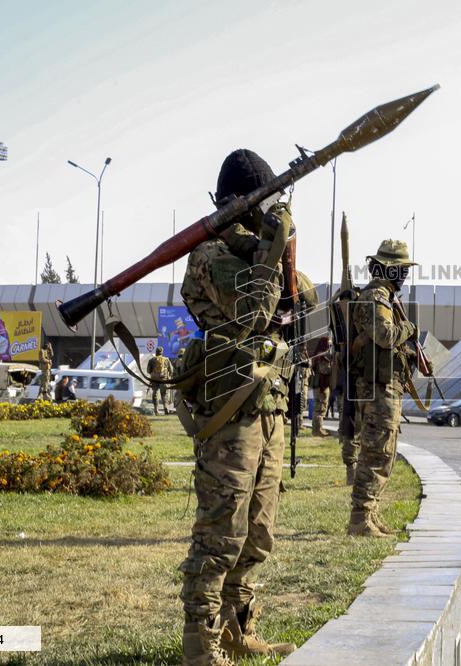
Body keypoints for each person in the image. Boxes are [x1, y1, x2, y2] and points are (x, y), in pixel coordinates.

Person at [176, 149, 297, 664]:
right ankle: (200, 642)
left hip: (267, 406)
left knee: (258, 532)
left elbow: (300, 301)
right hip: (229, 409)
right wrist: (272, 245)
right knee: (221, 532)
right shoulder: (209, 254)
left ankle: (235, 628)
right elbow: (254, 310)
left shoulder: (254, 251)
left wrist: (276, 248)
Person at [348, 238, 418, 537]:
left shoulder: (385, 297)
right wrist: (409, 328)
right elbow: (385, 336)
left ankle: (370, 513)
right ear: (388, 269)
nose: (404, 275)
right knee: (376, 452)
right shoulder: (375, 297)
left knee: (384, 451)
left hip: (385, 385)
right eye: (401, 269)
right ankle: (360, 518)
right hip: (377, 387)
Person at [310, 335, 333, 436]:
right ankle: (317, 430)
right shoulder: (322, 357)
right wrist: (333, 367)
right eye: (329, 345)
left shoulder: (317, 355)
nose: (330, 347)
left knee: (318, 408)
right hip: (321, 386)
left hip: (318, 385)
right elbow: (325, 371)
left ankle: (317, 429)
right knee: (320, 408)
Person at [147, 347, 173, 415]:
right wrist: (169, 377)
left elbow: (148, 370)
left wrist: (154, 374)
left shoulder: (152, 360)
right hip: (164, 379)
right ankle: (166, 408)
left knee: (155, 393)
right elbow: (171, 370)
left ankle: (156, 410)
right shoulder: (166, 359)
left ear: (156, 352)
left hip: (154, 380)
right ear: (162, 352)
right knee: (164, 394)